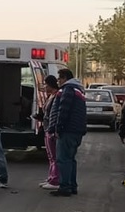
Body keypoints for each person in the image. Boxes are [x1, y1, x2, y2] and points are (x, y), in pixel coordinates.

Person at [47, 68, 86, 197]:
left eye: (59, 78)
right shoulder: (77, 89)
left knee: (63, 159)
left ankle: (65, 187)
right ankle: (72, 185)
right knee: (70, 159)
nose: (58, 81)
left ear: (64, 78)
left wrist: (58, 129)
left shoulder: (67, 90)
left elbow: (63, 110)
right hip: (76, 131)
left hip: (68, 131)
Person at [33, 75, 61, 190]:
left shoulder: (57, 97)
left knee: (54, 156)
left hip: (51, 129)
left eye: (46, 84)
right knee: (50, 156)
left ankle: (55, 180)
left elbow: (54, 114)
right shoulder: (50, 96)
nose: (45, 87)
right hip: (46, 128)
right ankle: (51, 177)